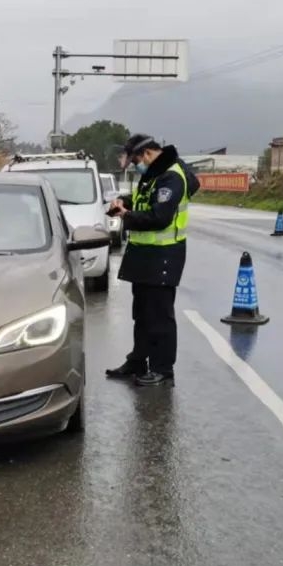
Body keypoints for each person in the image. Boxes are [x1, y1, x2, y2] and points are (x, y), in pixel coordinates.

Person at [105, 134, 192, 387]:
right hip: (145, 257)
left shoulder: (171, 176)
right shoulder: (153, 174)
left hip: (164, 256)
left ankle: (163, 369)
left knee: (160, 316)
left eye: (135, 161)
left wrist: (127, 216)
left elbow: (159, 216)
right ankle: (137, 361)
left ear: (147, 154)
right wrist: (125, 202)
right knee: (141, 313)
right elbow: (143, 199)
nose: (135, 166)